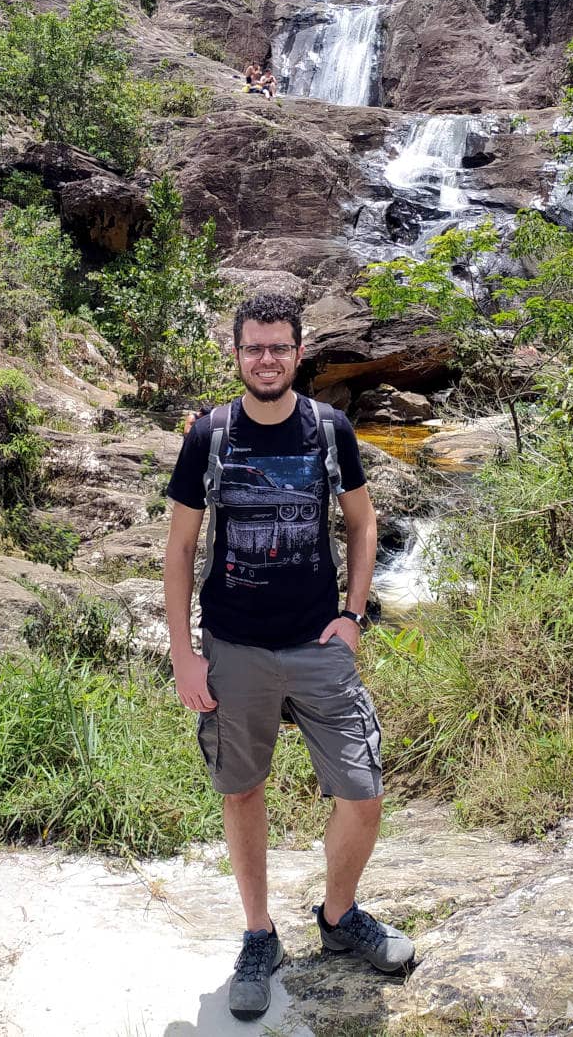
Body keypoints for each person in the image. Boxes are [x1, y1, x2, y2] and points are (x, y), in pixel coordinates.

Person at [164, 293, 414, 1020]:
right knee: (241, 788)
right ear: (237, 353)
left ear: (298, 353)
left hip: (317, 643)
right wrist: (184, 652)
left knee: (362, 790)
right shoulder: (209, 435)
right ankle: (258, 933)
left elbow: (362, 523)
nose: (266, 359)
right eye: (253, 347)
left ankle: (339, 917)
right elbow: (180, 548)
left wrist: (353, 613)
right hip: (234, 645)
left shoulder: (329, 429)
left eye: (278, 347)